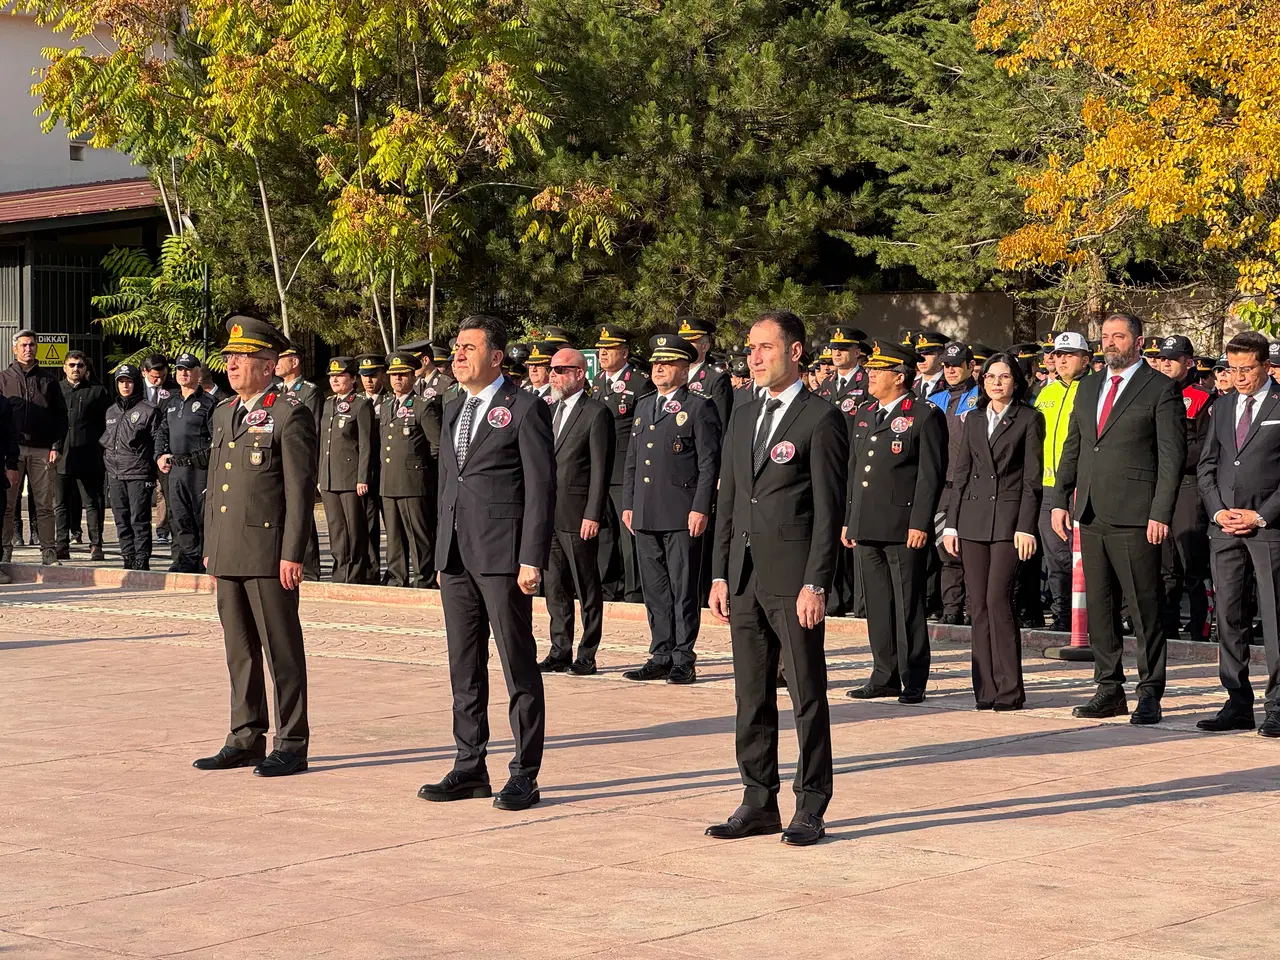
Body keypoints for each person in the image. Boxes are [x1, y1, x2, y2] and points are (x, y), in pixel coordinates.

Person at [705, 309, 847, 846]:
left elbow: (829, 511)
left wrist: (817, 582)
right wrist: (719, 575)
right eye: (750, 349)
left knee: (807, 692)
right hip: (742, 577)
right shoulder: (742, 414)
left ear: (795, 351)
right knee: (751, 695)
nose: (755, 357)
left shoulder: (820, 418)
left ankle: (811, 803)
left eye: (765, 347)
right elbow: (731, 502)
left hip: (793, 580)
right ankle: (757, 798)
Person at [418, 315, 553, 811]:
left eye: (468, 348)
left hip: (502, 557)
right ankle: (469, 763)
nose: (458, 356)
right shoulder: (454, 409)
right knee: (464, 667)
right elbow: (447, 488)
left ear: (496, 357)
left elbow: (541, 489)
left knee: (517, 664)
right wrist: (438, 554)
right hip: (455, 557)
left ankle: (524, 773)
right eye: (456, 348)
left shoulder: (524, 408)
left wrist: (531, 557)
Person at [194, 316, 318, 778]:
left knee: (281, 651)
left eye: (240, 358)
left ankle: (291, 742)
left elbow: (300, 491)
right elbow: (217, 483)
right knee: (240, 650)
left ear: (268, 365)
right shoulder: (225, 411)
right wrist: (212, 546)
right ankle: (245, 736)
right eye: (228, 358)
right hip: (229, 550)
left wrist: (293, 553)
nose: (231, 365)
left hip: (269, 553)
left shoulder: (289, 413)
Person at [1050, 312, 1186, 724]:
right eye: (1106, 336)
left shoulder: (1160, 389)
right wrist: (1060, 498)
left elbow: (1171, 458)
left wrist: (1160, 512)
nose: (1110, 343)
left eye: (1119, 336)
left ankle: (1150, 692)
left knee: (1144, 608)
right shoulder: (1088, 385)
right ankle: (1108, 688)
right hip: (1091, 512)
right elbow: (1074, 446)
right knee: (1101, 606)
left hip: (1136, 516)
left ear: (1138, 341)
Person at [842, 340, 947, 703]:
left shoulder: (924, 414)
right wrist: (848, 519)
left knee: (907, 603)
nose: (870, 376)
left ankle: (913, 676)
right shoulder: (866, 413)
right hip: (867, 524)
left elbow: (929, 476)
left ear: (899, 377)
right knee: (877, 603)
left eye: (877, 371)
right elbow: (855, 471)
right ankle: (883, 673)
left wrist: (920, 522)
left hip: (903, 525)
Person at [942, 354, 1044, 710]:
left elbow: (1032, 480)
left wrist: (1026, 527)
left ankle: (1009, 689)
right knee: (978, 605)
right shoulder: (973, 419)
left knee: (999, 601)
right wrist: (951, 523)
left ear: (1016, 381)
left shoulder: (1029, 418)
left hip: (1008, 521)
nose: (996, 383)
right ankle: (984, 689)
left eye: (1004, 377)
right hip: (971, 518)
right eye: (990, 377)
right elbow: (961, 474)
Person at [621, 333, 722, 685]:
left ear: (685, 368)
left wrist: (701, 507)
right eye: (656, 363)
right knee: (655, 587)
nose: (659, 368)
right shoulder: (645, 404)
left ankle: (683, 656)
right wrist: (629, 503)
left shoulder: (699, 406)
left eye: (668, 363)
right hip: (646, 511)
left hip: (681, 511)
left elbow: (710, 463)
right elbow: (633, 460)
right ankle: (660, 652)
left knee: (683, 585)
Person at [1197, 332, 1280, 737]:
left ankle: (1278, 704)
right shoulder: (1223, 404)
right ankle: (1237, 701)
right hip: (1225, 529)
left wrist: (1261, 516)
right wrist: (1217, 511)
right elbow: (1207, 466)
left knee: (1275, 617)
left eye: (1247, 369)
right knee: (1229, 617)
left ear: (1266, 365)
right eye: (1233, 369)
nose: (1239, 377)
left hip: (1269, 530)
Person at [540, 347, 613, 675]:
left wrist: (593, 513)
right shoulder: (548, 410)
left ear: (579, 374)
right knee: (554, 586)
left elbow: (601, 469)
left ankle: (587, 652)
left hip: (578, 513)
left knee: (586, 586)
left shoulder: (596, 412)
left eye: (560, 369)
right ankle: (560, 649)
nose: (553, 374)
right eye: (551, 369)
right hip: (548, 515)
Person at [1151, 335, 1212, 640]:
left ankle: (1200, 628)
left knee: (1192, 564)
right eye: (1162, 358)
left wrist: (1172, 459)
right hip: (1159, 485)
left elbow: (1204, 447)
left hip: (1188, 485)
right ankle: (1168, 627)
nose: (1165, 363)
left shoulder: (1202, 398)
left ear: (1188, 363)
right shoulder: (1150, 394)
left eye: (1172, 359)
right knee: (1164, 565)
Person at [591, 323, 654, 603]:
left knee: (628, 533)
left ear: (625, 353)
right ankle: (608, 583)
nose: (603, 353)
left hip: (625, 469)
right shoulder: (596, 383)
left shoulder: (639, 383)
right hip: (599, 468)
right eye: (601, 349)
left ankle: (634, 588)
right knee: (604, 531)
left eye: (610, 348)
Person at [1034, 332, 1092, 632]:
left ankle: (1088, 618)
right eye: (1058, 354)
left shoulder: (1093, 390)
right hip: (1048, 486)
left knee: (1080, 557)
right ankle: (1061, 615)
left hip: (1082, 486)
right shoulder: (1047, 392)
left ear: (1086, 359)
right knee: (1055, 555)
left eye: (1069, 354)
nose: (1062, 359)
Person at [0, 330, 67, 564]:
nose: (28, 349)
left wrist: (56, 446)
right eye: (24, 345)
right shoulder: (3, 379)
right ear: (14, 349)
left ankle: (48, 551)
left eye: (32, 345)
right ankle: (4, 552)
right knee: (7, 505)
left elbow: (61, 417)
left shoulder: (48, 380)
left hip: (42, 450)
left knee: (44, 504)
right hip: (12, 451)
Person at [379, 350, 442, 588]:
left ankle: (424, 578)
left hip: (413, 482)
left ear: (412, 376)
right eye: (394, 375)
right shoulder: (386, 406)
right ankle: (397, 576)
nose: (397, 379)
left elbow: (436, 445)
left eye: (403, 375)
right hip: (389, 481)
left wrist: (425, 473)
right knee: (393, 536)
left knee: (418, 534)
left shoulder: (422, 406)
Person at [931, 342, 981, 625]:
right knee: (946, 551)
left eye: (956, 365)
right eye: (946, 365)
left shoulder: (981, 396)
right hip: (943, 488)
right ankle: (951, 610)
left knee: (972, 553)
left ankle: (975, 610)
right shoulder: (936, 398)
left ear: (970, 366)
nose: (950, 370)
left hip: (973, 487)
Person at [155, 353, 218, 573]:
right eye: (180, 369)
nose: (183, 373)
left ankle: (204, 559)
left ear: (198, 373)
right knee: (179, 515)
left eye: (188, 369)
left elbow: (216, 437)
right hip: (176, 469)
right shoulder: (171, 402)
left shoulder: (208, 403)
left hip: (199, 468)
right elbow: (163, 430)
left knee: (201, 515)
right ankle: (187, 557)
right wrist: (159, 455)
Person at [318, 357, 374, 584]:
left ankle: (355, 574)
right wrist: (321, 476)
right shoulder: (329, 404)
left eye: (340, 376)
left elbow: (366, 444)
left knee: (354, 530)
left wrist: (362, 477)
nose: (335, 380)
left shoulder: (360, 404)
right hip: (330, 478)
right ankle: (340, 573)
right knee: (336, 530)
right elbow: (325, 443)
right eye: (332, 377)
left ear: (352, 378)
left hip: (351, 479)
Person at [101, 365, 161, 570]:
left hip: (139, 472)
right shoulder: (111, 411)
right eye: (121, 381)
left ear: (136, 383)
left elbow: (157, 443)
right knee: (120, 518)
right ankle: (127, 556)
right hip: (115, 474)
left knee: (139, 518)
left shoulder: (149, 410)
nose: (125, 385)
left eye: (129, 381)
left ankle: (142, 558)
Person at [56, 351, 110, 562]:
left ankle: (96, 545)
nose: (75, 369)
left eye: (79, 365)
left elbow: (107, 423)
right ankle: (61, 544)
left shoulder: (97, 392)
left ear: (86, 368)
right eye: (72, 365)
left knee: (92, 503)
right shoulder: (57, 390)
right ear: (64, 367)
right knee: (60, 503)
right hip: (62, 455)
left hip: (89, 455)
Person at [357, 353, 392, 582]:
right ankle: (371, 572)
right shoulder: (357, 402)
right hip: (366, 474)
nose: (369, 381)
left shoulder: (391, 401)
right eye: (364, 376)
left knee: (393, 527)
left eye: (374, 375)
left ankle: (397, 570)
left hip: (389, 472)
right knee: (368, 525)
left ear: (382, 376)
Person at [141, 355, 176, 548]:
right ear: (145, 372)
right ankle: (141, 530)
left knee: (164, 490)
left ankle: (163, 529)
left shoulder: (172, 390)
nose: (159, 380)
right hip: (141, 448)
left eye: (162, 376)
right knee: (142, 492)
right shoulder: (135, 389)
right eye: (155, 377)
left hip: (164, 447)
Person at [678, 316, 734, 428]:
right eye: (683, 342)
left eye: (691, 342)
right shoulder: (672, 375)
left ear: (705, 346)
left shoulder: (716, 379)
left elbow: (721, 423)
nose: (685, 347)